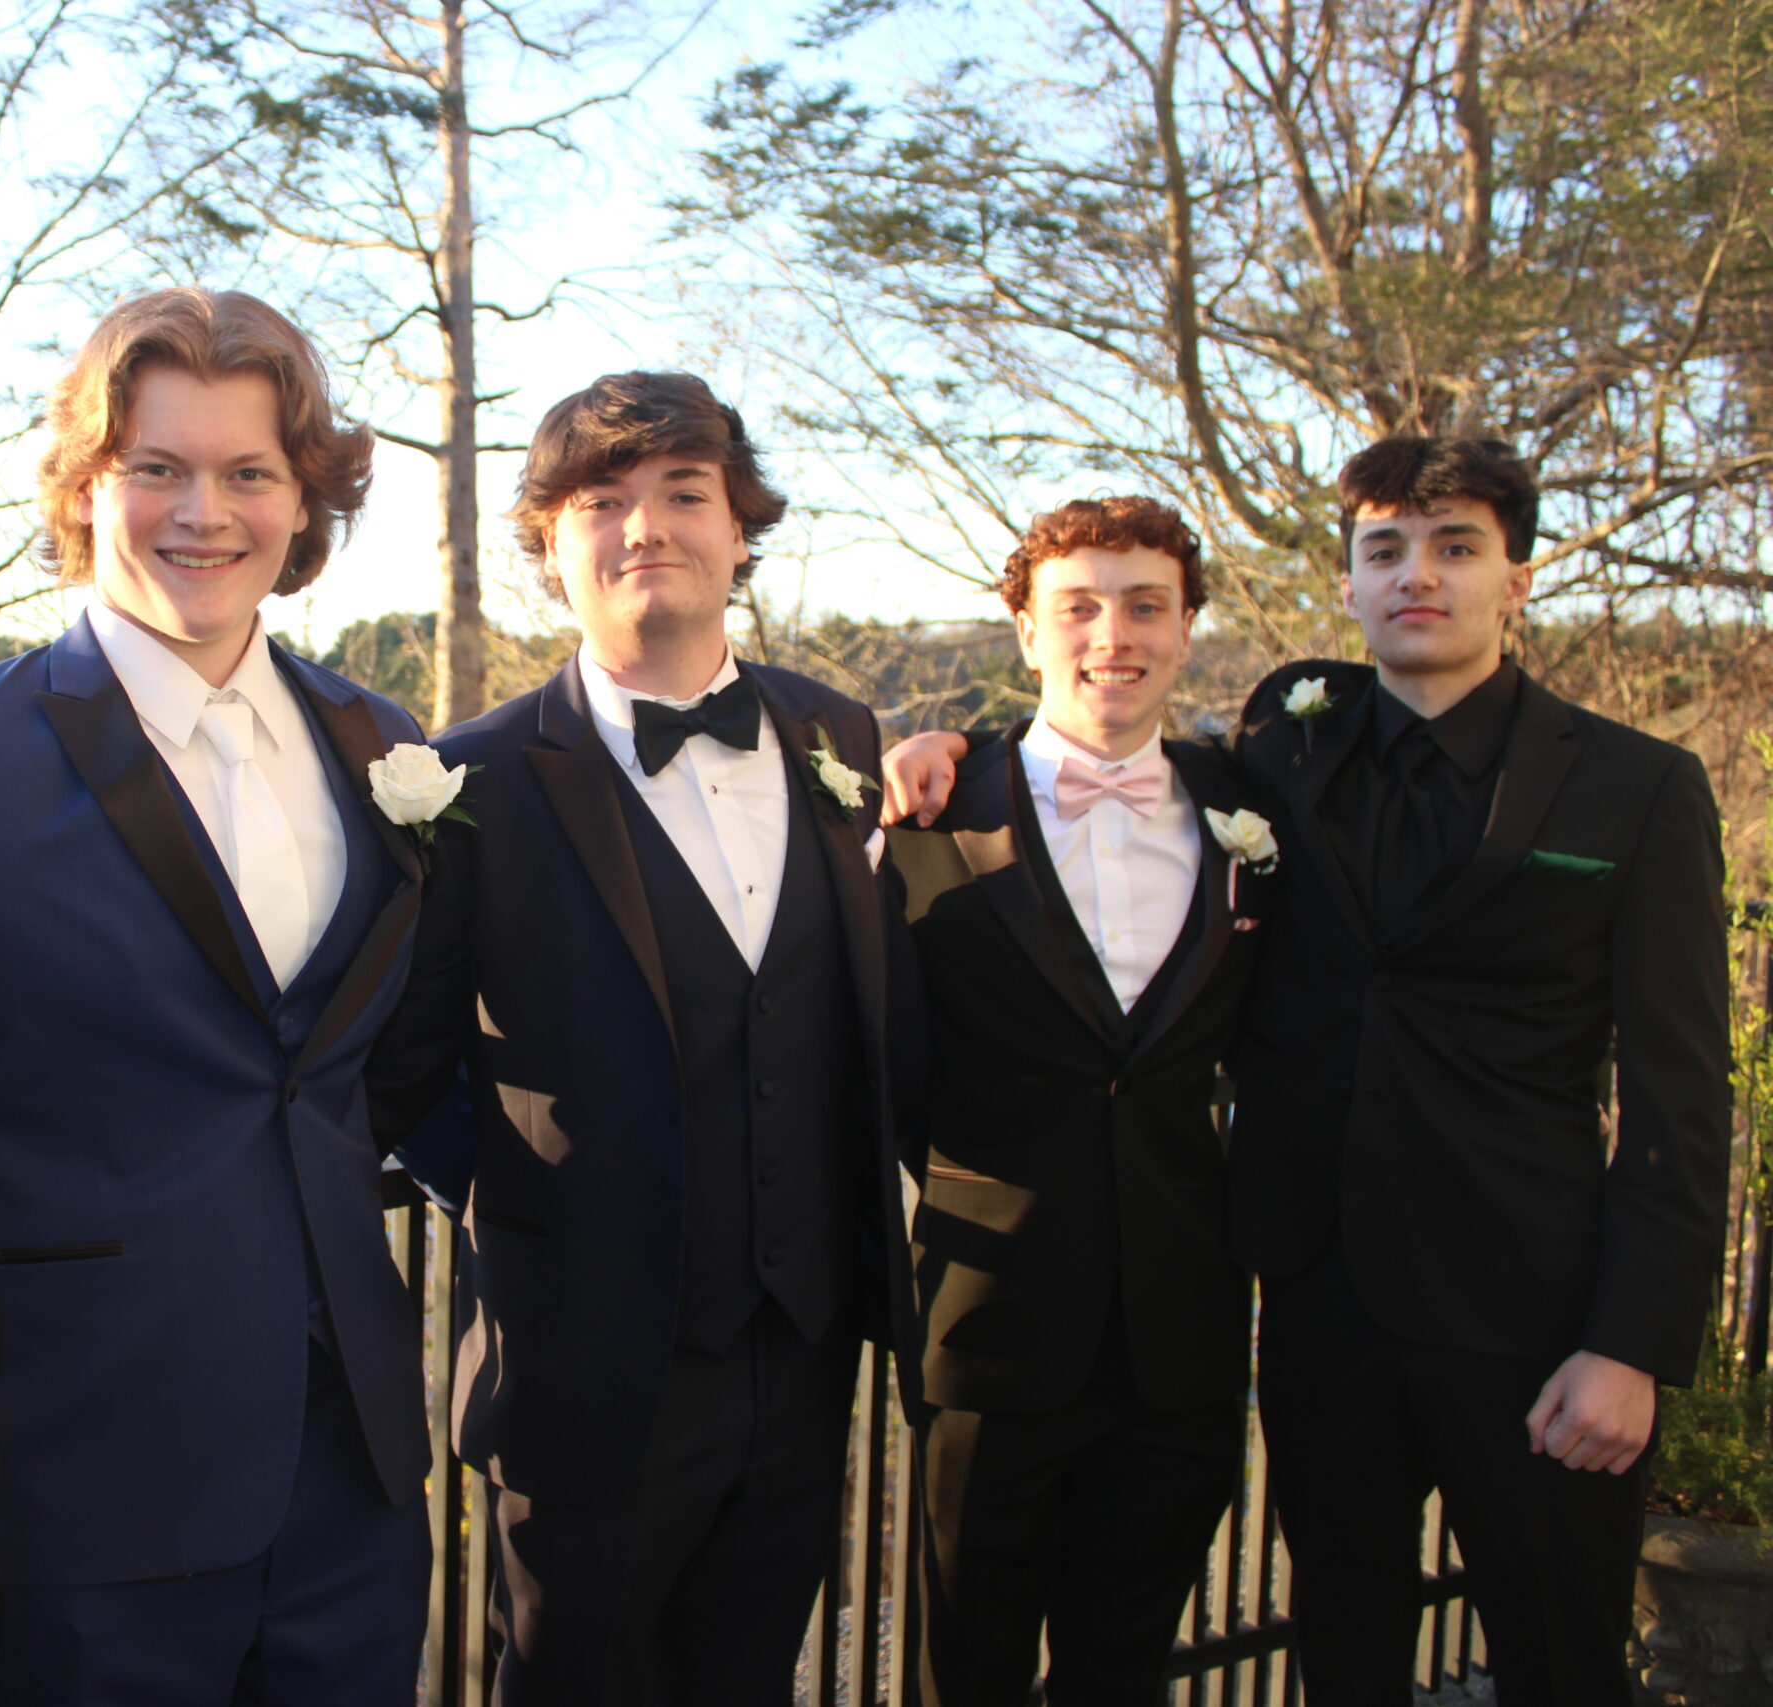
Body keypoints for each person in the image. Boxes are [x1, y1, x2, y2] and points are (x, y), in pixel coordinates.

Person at [881, 438, 1731, 1704]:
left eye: (1455, 547)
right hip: (1319, 1306)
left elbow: (1681, 1091)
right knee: (1341, 1651)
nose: (1417, 576)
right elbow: (1085, 729)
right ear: (1348, 583)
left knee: (1561, 1662)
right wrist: (947, 742)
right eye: (1385, 550)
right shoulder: (1283, 751)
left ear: (1518, 577)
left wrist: (1632, 1342)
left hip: (1534, 1317)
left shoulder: (1635, 784)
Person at [0, 287, 432, 1707]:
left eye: (249, 472)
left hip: (349, 1478)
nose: (203, 513)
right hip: (78, 1485)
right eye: (157, 466)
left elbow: (373, 1063)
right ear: (86, 487)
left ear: (304, 499)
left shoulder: (381, 742)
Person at [363, 370, 924, 1705]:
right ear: (550, 544)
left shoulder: (836, 733)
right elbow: (400, 1068)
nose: (646, 527)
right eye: (601, 502)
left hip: (804, 1354)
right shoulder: (470, 778)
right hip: (583, 1372)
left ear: (740, 527)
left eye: (684, 492)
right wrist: (541, 1204)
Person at [885, 496, 1260, 1705]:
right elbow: (883, 1063)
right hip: (988, 1323)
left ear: (1187, 629)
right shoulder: (924, 814)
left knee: (1124, 1668)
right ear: (1026, 631)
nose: (1114, 635)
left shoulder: (1246, 810)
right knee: (966, 1673)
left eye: (1147, 606)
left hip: (1182, 1339)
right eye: (1079, 607)